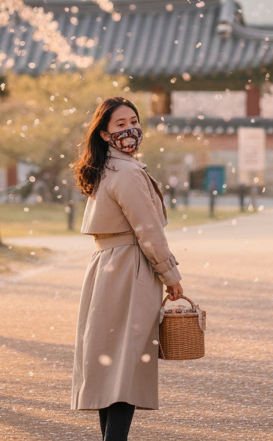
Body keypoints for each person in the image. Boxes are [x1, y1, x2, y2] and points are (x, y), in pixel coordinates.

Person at [71, 96, 184, 440]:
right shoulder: (129, 172)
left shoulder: (104, 168)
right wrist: (171, 277)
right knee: (127, 363)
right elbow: (148, 230)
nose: (130, 129)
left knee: (109, 360)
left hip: (106, 268)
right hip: (129, 269)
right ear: (104, 134)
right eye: (120, 125)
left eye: (133, 121)